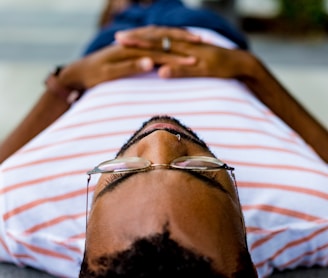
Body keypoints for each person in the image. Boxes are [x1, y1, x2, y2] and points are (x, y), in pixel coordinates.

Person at [0, 1, 327, 277]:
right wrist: (252, 71)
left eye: (121, 172)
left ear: (81, 257)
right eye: (199, 169)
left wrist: (65, 82)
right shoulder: (311, 216)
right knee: (177, 7)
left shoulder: (23, 223)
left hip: (110, 54)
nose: (160, 135)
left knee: (122, 14)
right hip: (208, 44)